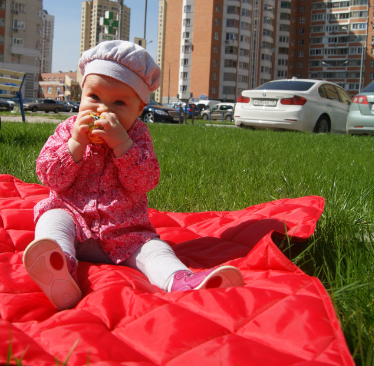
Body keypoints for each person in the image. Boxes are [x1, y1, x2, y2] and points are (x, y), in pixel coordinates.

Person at [23, 40, 244, 310]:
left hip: (125, 234)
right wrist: (75, 144)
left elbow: (145, 181)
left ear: (139, 109)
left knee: (154, 249)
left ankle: (181, 280)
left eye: (118, 103)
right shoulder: (69, 129)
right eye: (94, 97)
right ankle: (59, 266)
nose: (103, 110)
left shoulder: (138, 136)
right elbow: (49, 177)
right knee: (52, 218)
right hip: (74, 222)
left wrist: (122, 144)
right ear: (81, 95)